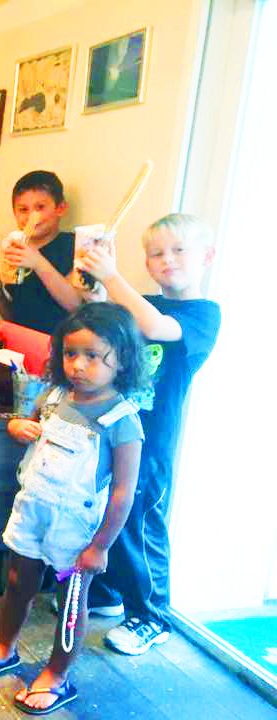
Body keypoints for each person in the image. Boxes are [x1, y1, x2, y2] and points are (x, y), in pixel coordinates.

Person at [0, 302, 147, 715]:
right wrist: (16, 427)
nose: (78, 365)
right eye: (70, 353)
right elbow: (27, 426)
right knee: (18, 581)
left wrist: (100, 546)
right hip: (34, 509)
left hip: (77, 528)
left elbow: (123, 491)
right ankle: (5, 647)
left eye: (92, 356)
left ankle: (57, 674)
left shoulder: (122, 420)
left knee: (70, 600)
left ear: (122, 359)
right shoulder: (53, 397)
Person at [80, 214, 221, 656]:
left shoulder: (203, 314)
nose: (167, 260)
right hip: (117, 432)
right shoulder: (142, 302)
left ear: (207, 257)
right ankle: (109, 593)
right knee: (108, 511)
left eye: (179, 250)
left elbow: (158, 328)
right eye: (157, 253)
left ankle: (152, 616)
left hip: (153, 442)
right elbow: (106, 322)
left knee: (141, 522)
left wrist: (111, 276)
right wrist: (96, 290)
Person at [0, 171, 83, 334]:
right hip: (22, 342)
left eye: (40, 207)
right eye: (23, 209)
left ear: (60, 208)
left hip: (60, 344)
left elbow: (76, 305)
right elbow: (14, 318)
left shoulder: (75, 246)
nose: (32, 216)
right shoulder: (15, 250)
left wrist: (37, 262)